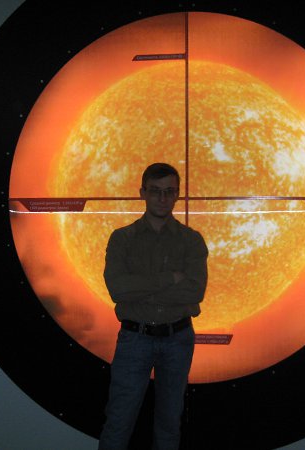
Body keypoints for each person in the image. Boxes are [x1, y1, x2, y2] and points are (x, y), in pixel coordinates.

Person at [99, 163, 209, 450]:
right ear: (142, 193)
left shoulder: (192, 240)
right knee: (119, 421)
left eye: (169, 191)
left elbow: (195, 291)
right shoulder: (122, 239)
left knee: (169, 423)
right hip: (134, 339)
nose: (162, 198)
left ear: (177, 195)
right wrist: (169, 279)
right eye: (155, 191)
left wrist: (139, 291)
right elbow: (117, 289)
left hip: (178, 340)